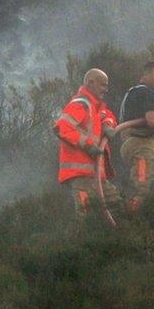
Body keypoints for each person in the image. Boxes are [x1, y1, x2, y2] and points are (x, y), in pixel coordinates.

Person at [53, 68, 122, 217]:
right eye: (103, 85)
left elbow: (108, 115)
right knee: (86, 216)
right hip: (81, 176)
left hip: (96, 175)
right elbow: (61, 127)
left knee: (116, 209)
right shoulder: (80, 104)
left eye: (107, 85)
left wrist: (108, 124)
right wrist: (87, 145)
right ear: (90, 83)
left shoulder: (96, 106)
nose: (106, 89)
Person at [118, 60, 154, 212]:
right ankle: (131, 227)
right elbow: (152, 121)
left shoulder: (136, 93)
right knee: (143, 191)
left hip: (138, 147)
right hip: (142, 147)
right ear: (143, 77)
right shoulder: (147, 92)